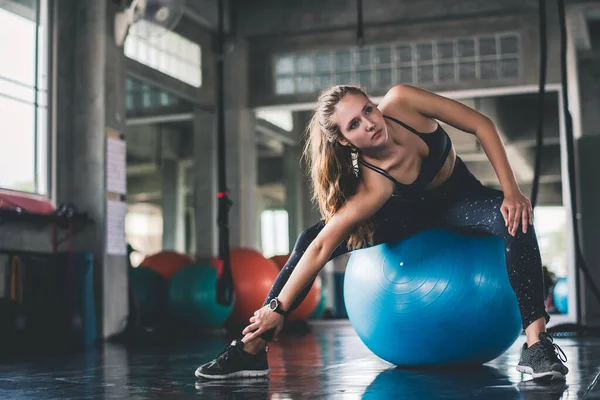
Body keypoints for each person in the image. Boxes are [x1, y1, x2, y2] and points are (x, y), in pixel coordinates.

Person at [195, 84, 569, 381]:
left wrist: (511, 190)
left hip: (461, 198)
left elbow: (480, 124)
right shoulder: (374, 186)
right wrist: (278, 308)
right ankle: (252, 350)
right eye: (353, 125)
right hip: (406, 218)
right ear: (344, 141)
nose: (369, 123)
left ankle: (536, 345)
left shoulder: (404, 101)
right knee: (310, 237)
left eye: (367, 111)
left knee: (515, 219)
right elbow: (324, 245)